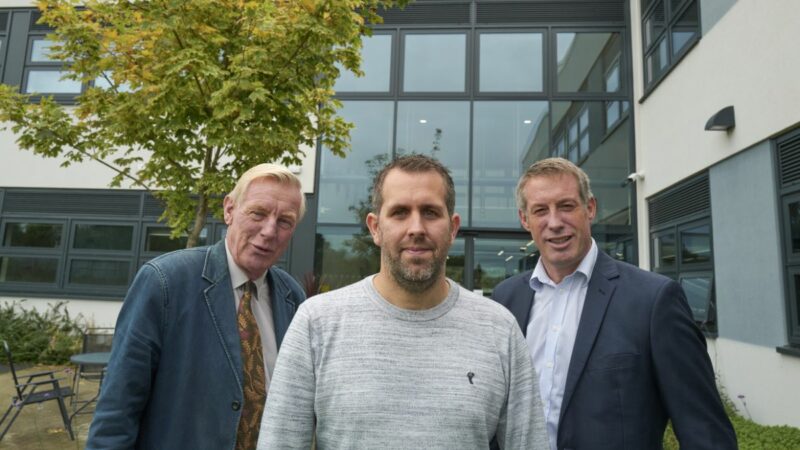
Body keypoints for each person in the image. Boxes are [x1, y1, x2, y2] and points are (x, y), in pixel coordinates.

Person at [257, 154, 547, 449]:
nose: (417, 228)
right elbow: (279, 442)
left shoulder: (499, 329)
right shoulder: (316, 323)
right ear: (375, 228)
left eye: (431, 212)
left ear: (453, 227)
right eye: (399, 213)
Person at [492, 157, 737, 450]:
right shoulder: (505, 299)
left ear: (590, 208)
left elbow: (705, 433)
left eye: (567, 206)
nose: (554, 222)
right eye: (541, 210)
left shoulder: (653, 300)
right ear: (524, 219)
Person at [85, 164, 307, 450]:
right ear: (229, 209)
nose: (269, 231)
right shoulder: (165, 282)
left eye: (285, 221)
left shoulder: (293, 297)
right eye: (258, 213)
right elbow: (118, 407)